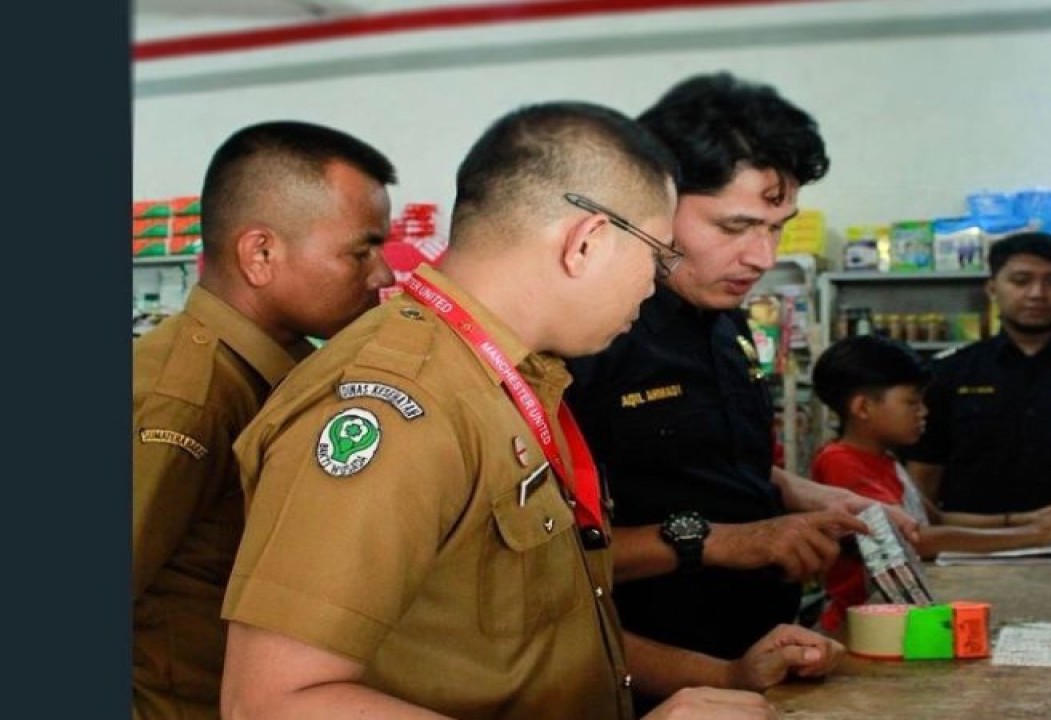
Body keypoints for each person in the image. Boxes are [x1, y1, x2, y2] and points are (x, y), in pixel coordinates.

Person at [219, 101, 843, 720]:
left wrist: (724, 675)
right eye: (655, 257)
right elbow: (274, 701)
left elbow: (539, 638)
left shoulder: (508, 378)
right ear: (587, 242)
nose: (655, 285)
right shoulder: (398, 404)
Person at [563, 72, 913, 708]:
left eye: (778, 228)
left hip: (760, 659)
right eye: (734, 227)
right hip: (649, 681)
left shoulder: (727, 320)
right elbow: (547, 563)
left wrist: (827, 500)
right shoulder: (588, 338)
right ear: (653, 202)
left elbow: (720, 464)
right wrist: (735, 541)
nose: (761, 256)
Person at [132, 120, 398, 718]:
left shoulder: (283, 373)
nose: (382, 276)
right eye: (362, 250)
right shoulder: (184, 400)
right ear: (260, 253)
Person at [809, 334, 1051, 632]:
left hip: (897, 619)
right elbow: (916, 541)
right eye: (911, 402)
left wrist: (1031, 518)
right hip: (861, 627)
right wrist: (1034, 534)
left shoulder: (885, 458)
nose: (924, 411)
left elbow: (937, 519)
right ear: (862, 408)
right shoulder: (841, 462)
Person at [900, 231, 1051, 516]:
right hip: (975, 550)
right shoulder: (950, 371)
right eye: (1021, 281)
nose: (1037, 293)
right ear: (992, 289)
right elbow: (924, 475)